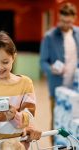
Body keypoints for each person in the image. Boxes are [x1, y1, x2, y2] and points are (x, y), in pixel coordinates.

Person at [0, 31, 41, 150]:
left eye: (5, 62)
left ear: (13, 57)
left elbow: (30, 116)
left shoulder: (25, 83)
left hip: (18, 145)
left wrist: (14, 116)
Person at [40, 2, 79, 130]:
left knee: (74, 120)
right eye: (63, 21)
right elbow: (42, 62)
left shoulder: (77, 34)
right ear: (59, 17)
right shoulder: (49, 37)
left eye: (69, 22)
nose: (65, 25)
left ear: (74, 19)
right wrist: (51, 69)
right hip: (58, 88)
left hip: (75, 87)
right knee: (57, 120)